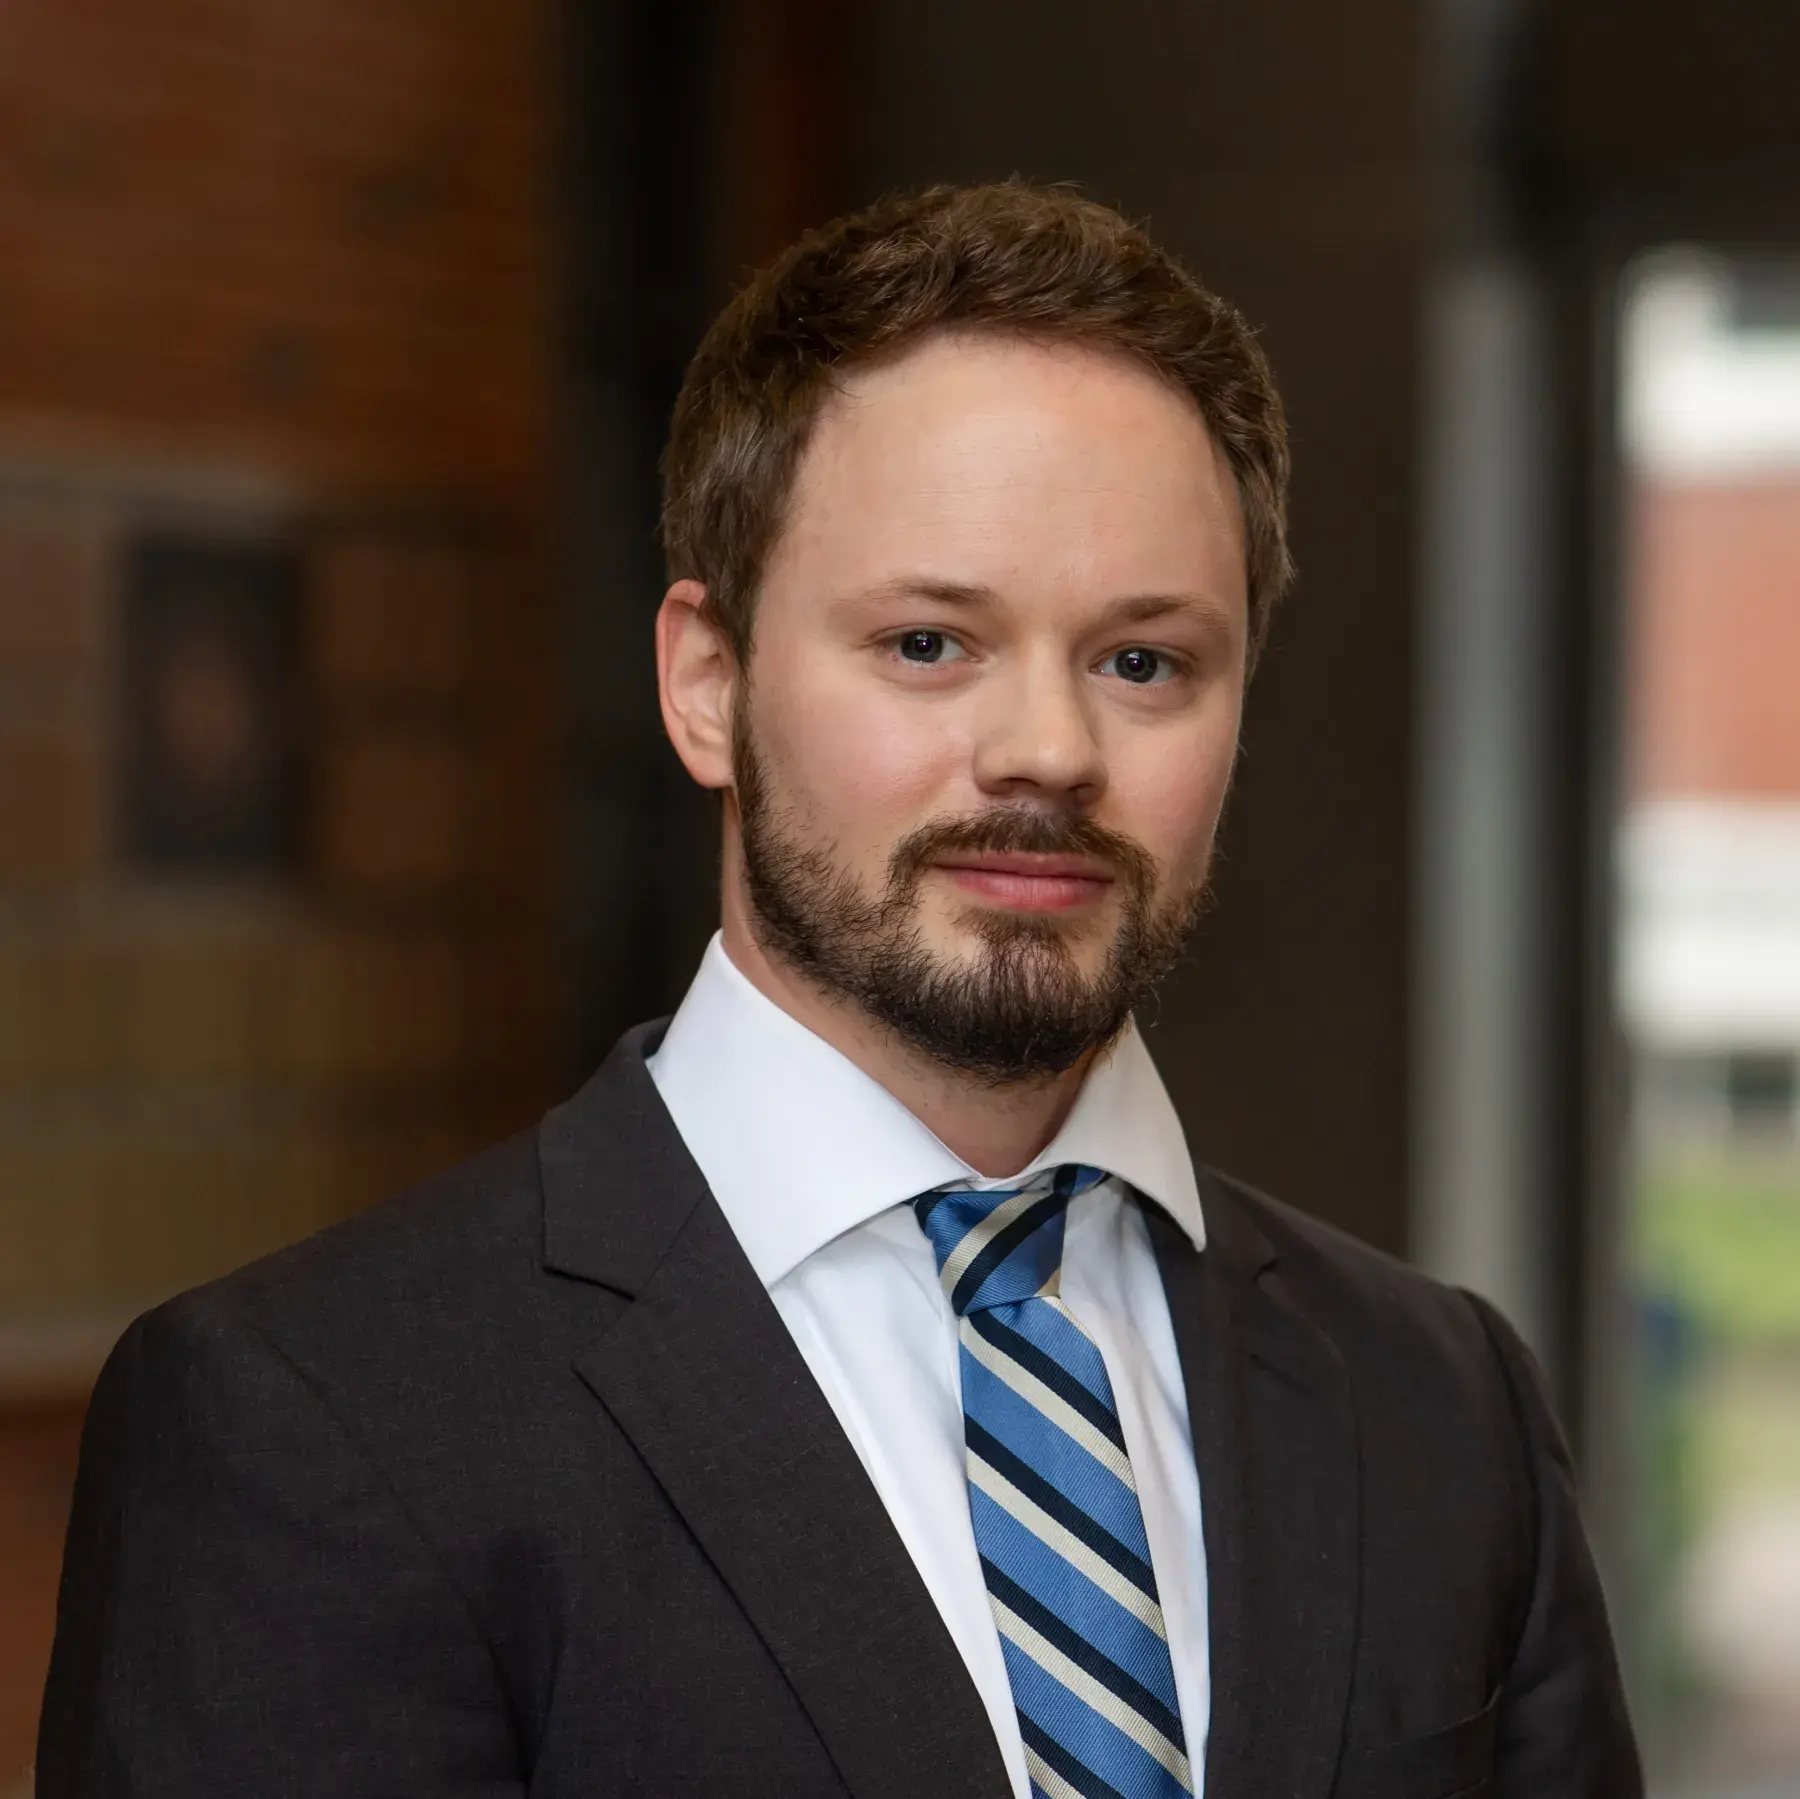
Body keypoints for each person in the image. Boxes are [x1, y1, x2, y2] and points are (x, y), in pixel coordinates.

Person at [37, 181, 1640, 1799]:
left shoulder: (1445, 1405)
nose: (1049, 749)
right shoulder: (315, 1419)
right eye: (930, 643)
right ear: (706, 685)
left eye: (1143, 660)